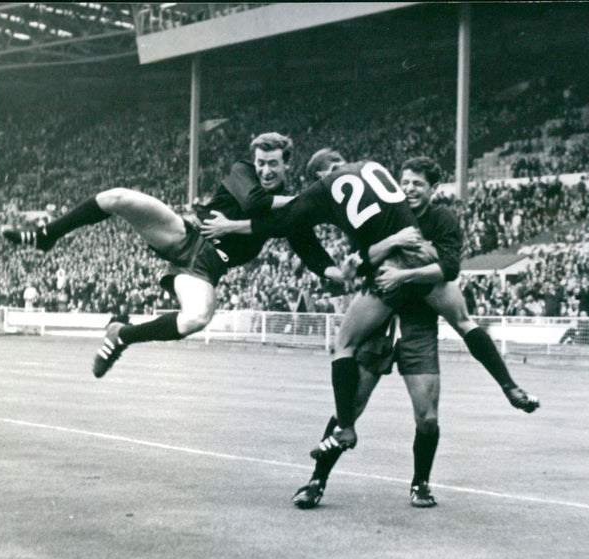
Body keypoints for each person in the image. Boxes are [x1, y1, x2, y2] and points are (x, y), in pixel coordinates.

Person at [201, 149, 538, 462]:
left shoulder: (326, 188)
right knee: (464, 322)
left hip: (387, 274)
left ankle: (346, 427)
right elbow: (429, 249)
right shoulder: (375, 168)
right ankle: (509, 386)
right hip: (420, 260)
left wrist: (231, 226)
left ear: (322, 173)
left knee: (343, 345)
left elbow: (283, 223)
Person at [290, 157, 539, 509]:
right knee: (350, 407)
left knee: (428, 416)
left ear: (433, 189)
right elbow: (363, 261)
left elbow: (448, 269)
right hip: (380, 322)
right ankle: (316, 481)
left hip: (417, 322)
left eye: (417, 184)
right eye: (404, 182)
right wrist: (382, 252)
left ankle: (420, 483)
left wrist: (402, 270)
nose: (408, 190)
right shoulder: (381, 211)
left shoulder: (441, 219)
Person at [0, 133, 342, 377]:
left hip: (207, 269)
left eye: (273, 165)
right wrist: (314, 202)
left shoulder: (292, 213)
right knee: (117, 197)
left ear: (287, 166)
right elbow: (255, 203)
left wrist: (340, 275)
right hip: (183, 236)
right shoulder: (243, 171)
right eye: (262, 163)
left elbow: (310, 251)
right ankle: (47, 235)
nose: (266, 170)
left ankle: (122, 335)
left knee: (196, 318)